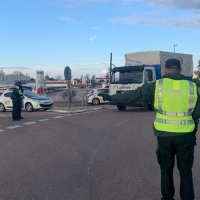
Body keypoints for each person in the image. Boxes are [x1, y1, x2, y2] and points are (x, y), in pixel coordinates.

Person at [99, 58, 200, 200]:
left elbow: (134, 95)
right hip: (186, 136)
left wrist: (112, 97)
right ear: (180, 70)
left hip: (164, 136)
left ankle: (167, 198)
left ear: (165, 70)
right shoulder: (192, 87)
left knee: (166, 170)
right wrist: (192, 133)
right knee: (186, 172)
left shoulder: (157, 85)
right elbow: (197, 114)